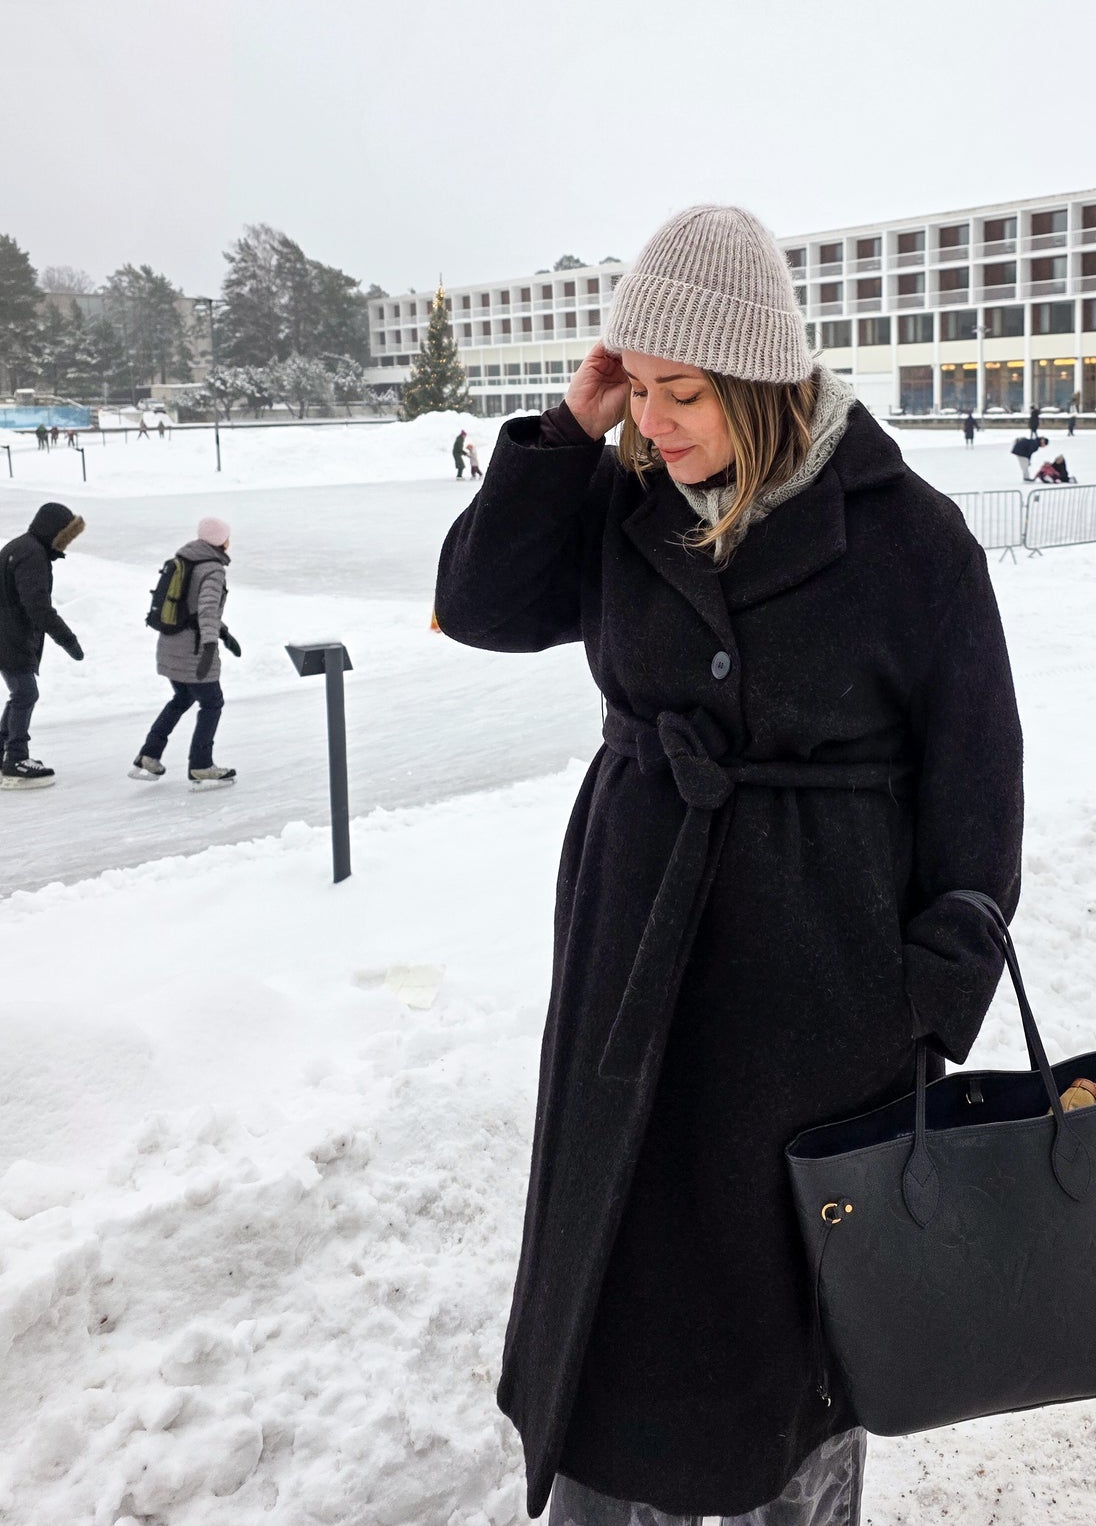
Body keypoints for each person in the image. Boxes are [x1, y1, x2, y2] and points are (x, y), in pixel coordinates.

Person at [435, 204, 1024, 1526]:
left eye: (682, 391)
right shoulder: (626, 500)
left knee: (786, 1352)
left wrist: (918, 1010)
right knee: (619, 1307)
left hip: (817, 1003)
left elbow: (979, 798)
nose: (657, 421)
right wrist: (567, 431)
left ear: (760, 380)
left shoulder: (911, 539)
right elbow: (478, 604)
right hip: (631, 970)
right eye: (637, 390)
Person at [131, 517, 239, 785]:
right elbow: (206, 610)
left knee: (181, 699)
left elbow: (192, 608)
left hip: (170, 646)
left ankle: (149, 755)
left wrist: (224, 633)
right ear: (220, 541)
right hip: (194, 651)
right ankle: (201, 765)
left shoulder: (185, 560)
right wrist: (210, 646)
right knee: (212, 703)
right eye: (227, 536)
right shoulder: (213, 569)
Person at [0, 502, 86, 788]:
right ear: (53, 531)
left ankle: (6, 753)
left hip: (8, 633)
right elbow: (37, 607)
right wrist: (67, 639)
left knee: (21, 693)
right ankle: (16, 759)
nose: (67, 543)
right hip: (11, 636)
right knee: (25, 694)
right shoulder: (32, 555)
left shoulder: (20, 547)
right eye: (66, 536)